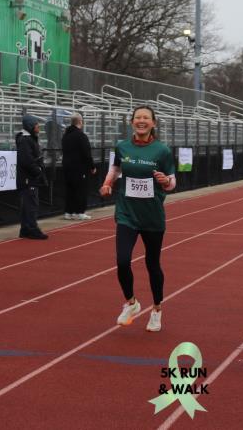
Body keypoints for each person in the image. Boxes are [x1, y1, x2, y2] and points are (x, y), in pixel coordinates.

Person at [100, 105, 176, 332]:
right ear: (132, 122)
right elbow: (115, 169)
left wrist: (165, 181)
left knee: (152, 264)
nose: (141, 121)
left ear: (153, 123)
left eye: (146, 118)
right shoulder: (122, 146)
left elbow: (172, 182)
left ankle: (157, 309)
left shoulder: (162, 151)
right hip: (127, 214)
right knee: (122, 261)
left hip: (152, 216)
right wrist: (107, 183)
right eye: (137, 117)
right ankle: (131, 303)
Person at [17, 114, 49, 240]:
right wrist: (37, 171)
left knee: (28, 204)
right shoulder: (25, 140)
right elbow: (27, 160)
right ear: (30, 126)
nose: (38, 127)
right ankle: (32, 228)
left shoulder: (29, 138)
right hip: (28, 178)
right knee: (31, 204)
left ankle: (25, 229)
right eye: (36, 125)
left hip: (29, 177)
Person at [61, 113, 97, 221]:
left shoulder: (65, 135)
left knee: (70, 190)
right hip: (80, 168)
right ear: (80, 122)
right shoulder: (81, 136)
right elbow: (87, 153)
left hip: (67, 167)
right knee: (81, 190)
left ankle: (68, 212)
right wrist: (92, 166)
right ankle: (80, 212)